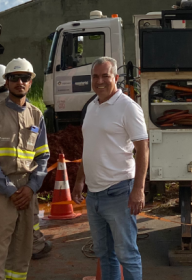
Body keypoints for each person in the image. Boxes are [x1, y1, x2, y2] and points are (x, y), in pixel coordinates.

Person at [72, 57, 149, 280]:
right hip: (94, 195)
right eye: (95, 76)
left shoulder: (128, 108)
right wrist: (79, 181)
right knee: (105, 255)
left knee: (127, 254)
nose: (100, 81)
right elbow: (90, 146)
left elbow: (143, 150)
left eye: (105, 76)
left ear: (115, 77)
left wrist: (138, 189)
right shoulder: (92, 106)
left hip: (119, 193)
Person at [0, 63, 51, 260]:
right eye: (14, 78)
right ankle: (36, 245)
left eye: (24, 78)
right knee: (3, 243)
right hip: (4, 183)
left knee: (12, 244)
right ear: (6, 81)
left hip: (19, 184)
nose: (19, 82)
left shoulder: (34, 114)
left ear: (30, 82)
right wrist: (23, 188)